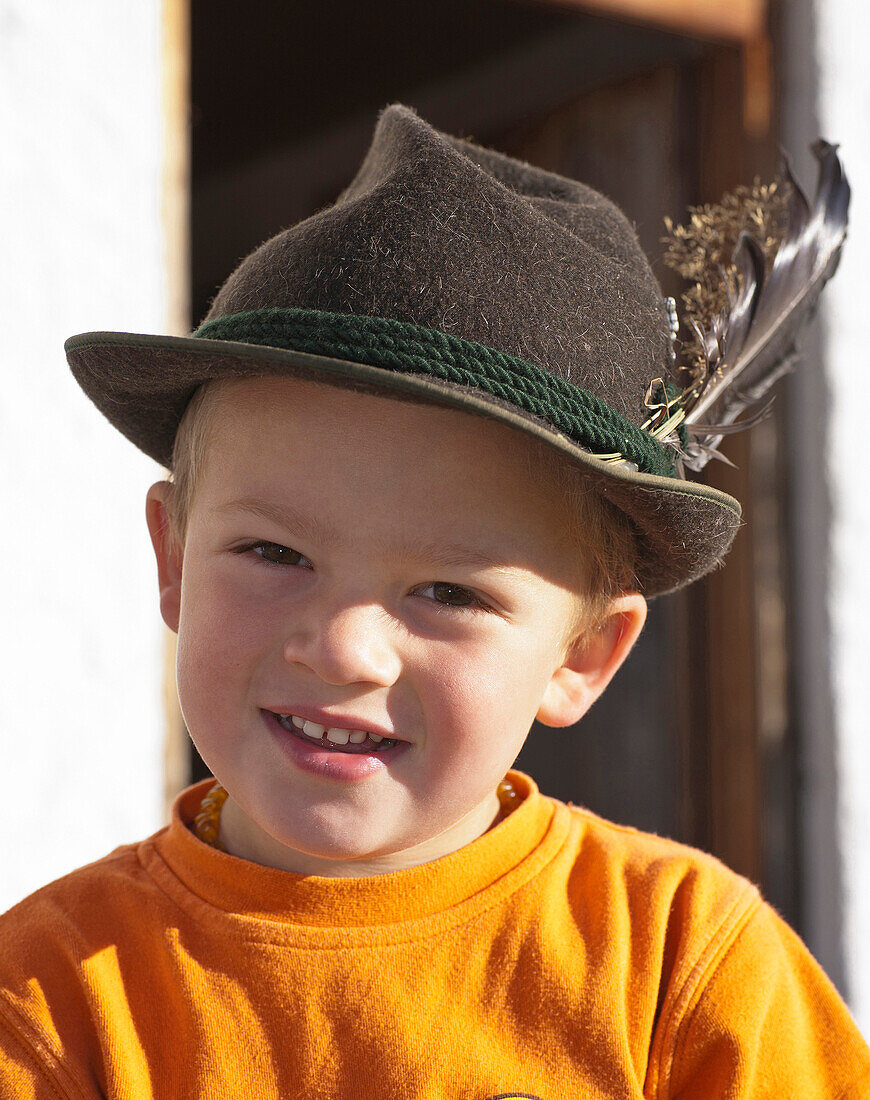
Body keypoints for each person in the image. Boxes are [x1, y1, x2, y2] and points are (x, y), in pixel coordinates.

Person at [1, 102, 867, 1098]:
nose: (343, 649)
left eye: (449, 591)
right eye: (274, 550)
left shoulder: (687, 969)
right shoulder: (50, 997)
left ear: (583, 652)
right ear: (174, 559)